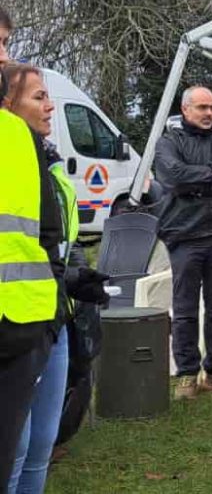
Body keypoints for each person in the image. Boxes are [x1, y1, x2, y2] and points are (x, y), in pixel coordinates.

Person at [2, 64, 109, 493]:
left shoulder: (48, 160)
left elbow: (55, 241)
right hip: (20, 321)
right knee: (16, 447)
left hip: (55, 316)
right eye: (38, 98)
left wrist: (77, 276)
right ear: (9, 105)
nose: (50, 107)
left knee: (44, 442)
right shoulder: (15, 150)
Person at [0, 11, 61, 487]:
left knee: (32, 448)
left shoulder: (30, 149)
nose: (6, 56)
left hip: (36, 315)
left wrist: (68, 276)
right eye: (39, 96)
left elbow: (44, 234)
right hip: (21, 318)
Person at [154, 86, 212, 399]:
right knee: (185, 310)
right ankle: (188, 374)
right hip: (184, 236)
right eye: (202, 108)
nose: (208, 113)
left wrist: (197, 182)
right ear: (185, 109)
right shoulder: (169, 142)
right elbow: (174, 178)